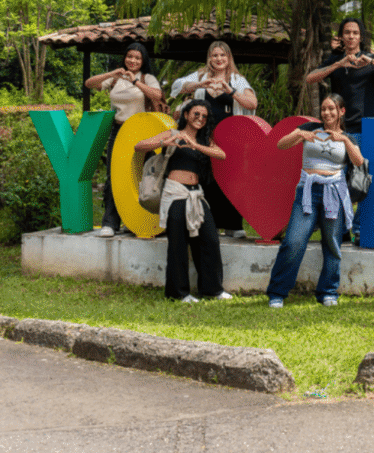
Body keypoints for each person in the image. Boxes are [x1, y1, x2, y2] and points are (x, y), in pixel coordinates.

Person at [307, 18, 374, 242]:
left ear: (361, 36)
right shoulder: (335, 60)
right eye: (347, 33)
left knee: (361, 180)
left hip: (365, 131)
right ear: (342, 36)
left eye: (355, 33)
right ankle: (340, 229)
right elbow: (310, 78)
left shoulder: (371, 61)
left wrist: (373, 62)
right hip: (338, 131)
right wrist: (337, 65)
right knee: (336, 180)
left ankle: (359, 228)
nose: (351, 36)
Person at [266, 94, 362, 308]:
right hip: (307, 192)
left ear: (342, 111)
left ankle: (328, 292)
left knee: (332, 244)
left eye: (332, 109)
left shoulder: (348, 137)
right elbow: (282, 145)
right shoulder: (309, 127)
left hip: (334, 193)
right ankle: (277, 292)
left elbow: (359, 161)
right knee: (293, 241)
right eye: (324, 109)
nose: (327, 113)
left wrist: (345, 140)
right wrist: (300, 134)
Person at [135, 100, 231, 302]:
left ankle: (212, 289)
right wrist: (164, 143)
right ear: (186, 115)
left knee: (210, 240)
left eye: (204, 116)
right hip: (175, 193)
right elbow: (139, 146)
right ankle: (178, 293)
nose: (200, 119)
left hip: (196, 193)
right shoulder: (172, 133)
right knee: (178, 244)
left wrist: (196, 145)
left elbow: (221, 154)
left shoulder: (204, 140)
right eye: (196, 114)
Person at [171, 41, 257, 239]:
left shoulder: (237, 79)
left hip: (231, 138)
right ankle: (207, 223)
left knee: (231, 179)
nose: (218, 59)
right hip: (204, 137)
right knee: (206, 180)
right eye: (214, 55)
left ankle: (233, 224)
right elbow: (178, 86)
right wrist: (199, 85)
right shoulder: (201, 75)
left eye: (222, 55)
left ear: (228, 58)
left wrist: (231, 91)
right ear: (209, 58)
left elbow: (252, 103)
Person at [84, 42, 164, 238]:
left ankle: (136, 220)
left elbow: (157, 95)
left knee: (143, 175)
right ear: (125, 58)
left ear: (143, 61)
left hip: (143, 131)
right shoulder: (115, 79)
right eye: (130, 57)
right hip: (119, 129)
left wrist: (135, 81)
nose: (133, 61)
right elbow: (89, 83)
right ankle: (110, 222)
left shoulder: (147, 78)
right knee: (115, 175)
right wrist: (112, 74)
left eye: (137, 58)